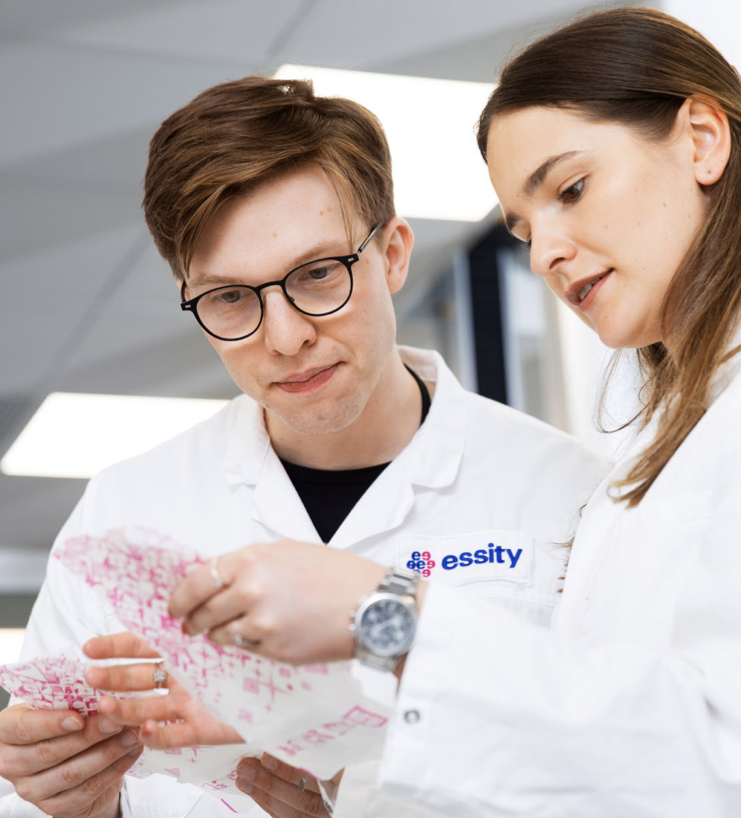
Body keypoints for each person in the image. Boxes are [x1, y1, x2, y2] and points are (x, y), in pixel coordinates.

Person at [91, 6, 741, 817]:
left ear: (702, 139)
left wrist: (379, 609)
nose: (544, 254)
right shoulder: (651, 470)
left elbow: (732, 762)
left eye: (571, 188)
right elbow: (601, 756)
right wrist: (333, 777)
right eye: (523, 227)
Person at [0, 77, 607, 818]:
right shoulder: (127, 508)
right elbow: (32, 797)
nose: (285, 337)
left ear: (391, 254)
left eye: (318, 275)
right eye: (230, 298)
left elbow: (622, 772)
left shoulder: (569, 496)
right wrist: (80, 805)